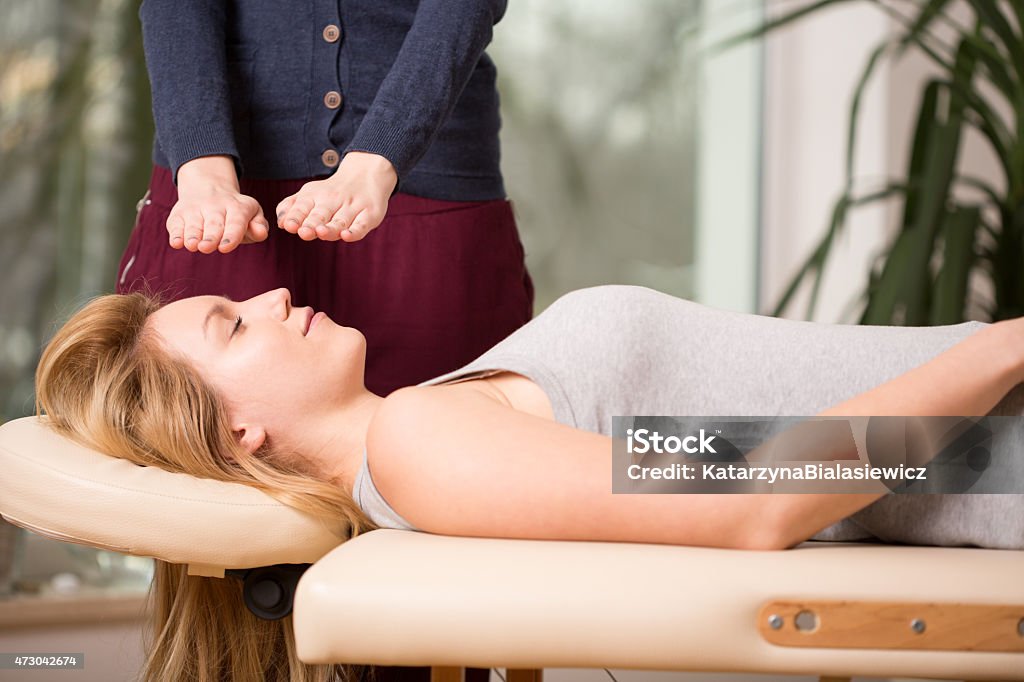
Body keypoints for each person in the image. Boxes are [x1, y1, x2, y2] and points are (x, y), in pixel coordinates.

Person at [35, 285, 1024, 681]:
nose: (272, 295)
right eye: (232, 325)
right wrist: (1001, 351)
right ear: (238, 428)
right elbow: (761, 499)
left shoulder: (438, 427)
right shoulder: (419, 446)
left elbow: (748, 464)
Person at [119, 0, 533, 397]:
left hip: (430, 188)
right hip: (214, 201)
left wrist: (379, 156)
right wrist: (202, 167)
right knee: (186, 448)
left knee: (458, 443)